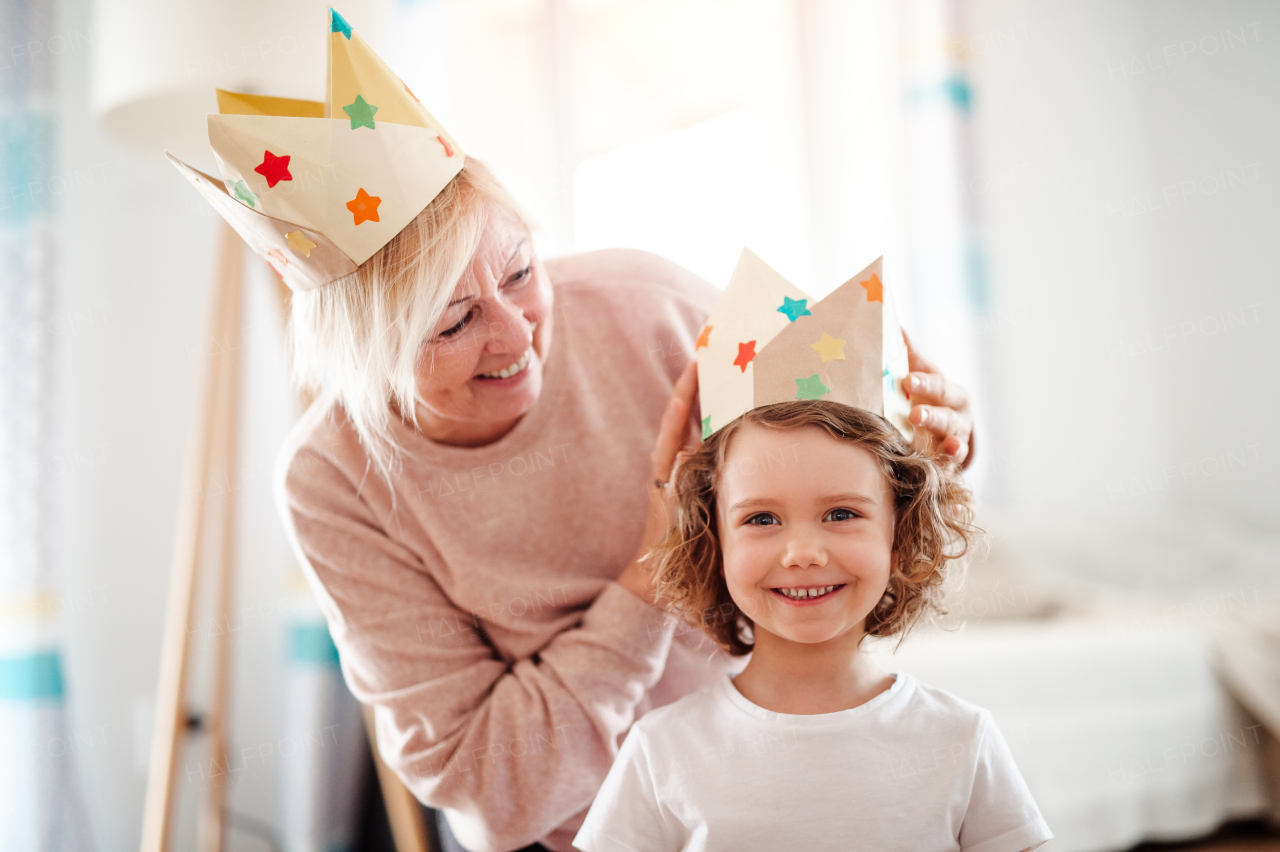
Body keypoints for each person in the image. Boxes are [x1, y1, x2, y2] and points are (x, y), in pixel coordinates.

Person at [277, 156, 975, 852]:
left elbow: (852, 486)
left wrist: (938, 451)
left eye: (521, 272)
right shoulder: (334, 479)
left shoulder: (649, 308)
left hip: (761, 793)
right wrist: (652, 572)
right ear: (368, 353)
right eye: (456, 323)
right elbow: (493, 791)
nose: (519, 338)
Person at [573, 402, 1051, 852]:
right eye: (762, 518)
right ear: (715, 545)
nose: (803, 552)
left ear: (899, 536)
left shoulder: (961, 737)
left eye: (841, 514)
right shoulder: (661, 749)